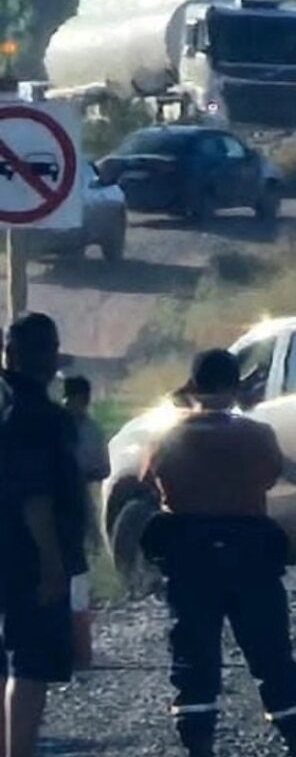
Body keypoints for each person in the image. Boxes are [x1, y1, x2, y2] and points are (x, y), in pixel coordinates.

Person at [140, 349, 296, 757]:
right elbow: (270, 475)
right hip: (251, 550)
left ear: (193, 387)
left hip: (189, 556)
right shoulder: (258, 435)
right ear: (236, 386)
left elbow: (149, 479)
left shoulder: (170, 436)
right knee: (271, 652)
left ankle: (199, 744)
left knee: (194, 654)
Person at [0, 314, 86, 757]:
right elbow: (37, 498)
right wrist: (52, 563)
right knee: (29, 664)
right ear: (51, 356)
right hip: (27, 557)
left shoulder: (9, 409)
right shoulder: (41, 419)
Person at [61, 375, 108, 671]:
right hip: (53, 507)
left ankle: (78, 650)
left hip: (77, 507)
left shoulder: (91, 429)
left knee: (76, 580)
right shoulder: (52, 424)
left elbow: (103, 467)